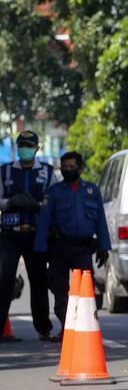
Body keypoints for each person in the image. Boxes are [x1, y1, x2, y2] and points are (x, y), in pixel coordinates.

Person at [34, 151, 110, 335]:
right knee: (59, 289)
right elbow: (44, 221)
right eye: (64, 167)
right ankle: (66, 327)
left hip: (83, 248)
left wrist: (104, 247)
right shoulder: (55, 192)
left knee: (85, 289)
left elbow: (100, 220)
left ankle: (84, 327)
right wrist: (40, 249)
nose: (68, 170)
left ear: (80, 169)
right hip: (59, 247)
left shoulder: (91, 190)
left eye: (72, 167)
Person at [0, 130, 56, 342]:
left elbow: (53, 203)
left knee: (39, 281)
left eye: (29, 145)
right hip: (10, 234)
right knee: (4, 280)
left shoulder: (48, 172)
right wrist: (10, 202)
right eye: (22, 145)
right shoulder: (5, 171)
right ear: (17, 147)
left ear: (37, 148)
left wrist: (38, 205)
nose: (25, 149)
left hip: (36, 234)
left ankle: (43, 328)